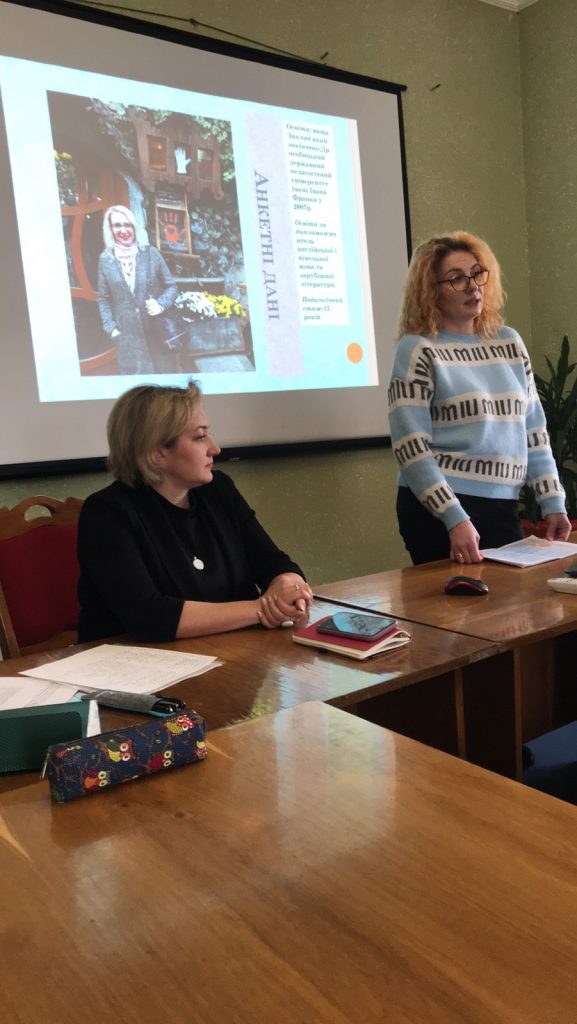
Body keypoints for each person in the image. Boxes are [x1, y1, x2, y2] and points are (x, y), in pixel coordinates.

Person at [77, 382, 313, 642]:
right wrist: (262, 609)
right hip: (137, 661)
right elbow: (149, 617)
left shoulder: (219, 489)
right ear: (157, 452)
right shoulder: (107, 513)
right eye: (200, 437)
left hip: (231, 650)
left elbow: (273, 563)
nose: (215, 449)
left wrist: (289, 584)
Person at [388, 231, 571, 565]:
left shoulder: (509, 343)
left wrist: (553, 502)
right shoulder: (417, 349)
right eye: (456, 278)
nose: (472, 286)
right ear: (431, 291)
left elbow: (533, 431)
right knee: (456, 599)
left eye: (477, 274)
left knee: (514, 597)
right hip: (438, 511)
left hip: (502, 505)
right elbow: (411, 448)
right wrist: (454, 518)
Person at [97, 205, 180, 374]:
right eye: (117, 225)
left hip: (157, 333)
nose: (123, 230)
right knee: (137, 383)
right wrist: (111, 329)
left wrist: (160, 305)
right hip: (127, 338)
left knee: (163, 379)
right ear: (110, 229)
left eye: (127, 225)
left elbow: (171, 286)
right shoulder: (105, 260)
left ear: (134, 227)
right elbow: (103, 298)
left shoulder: (151, 254)